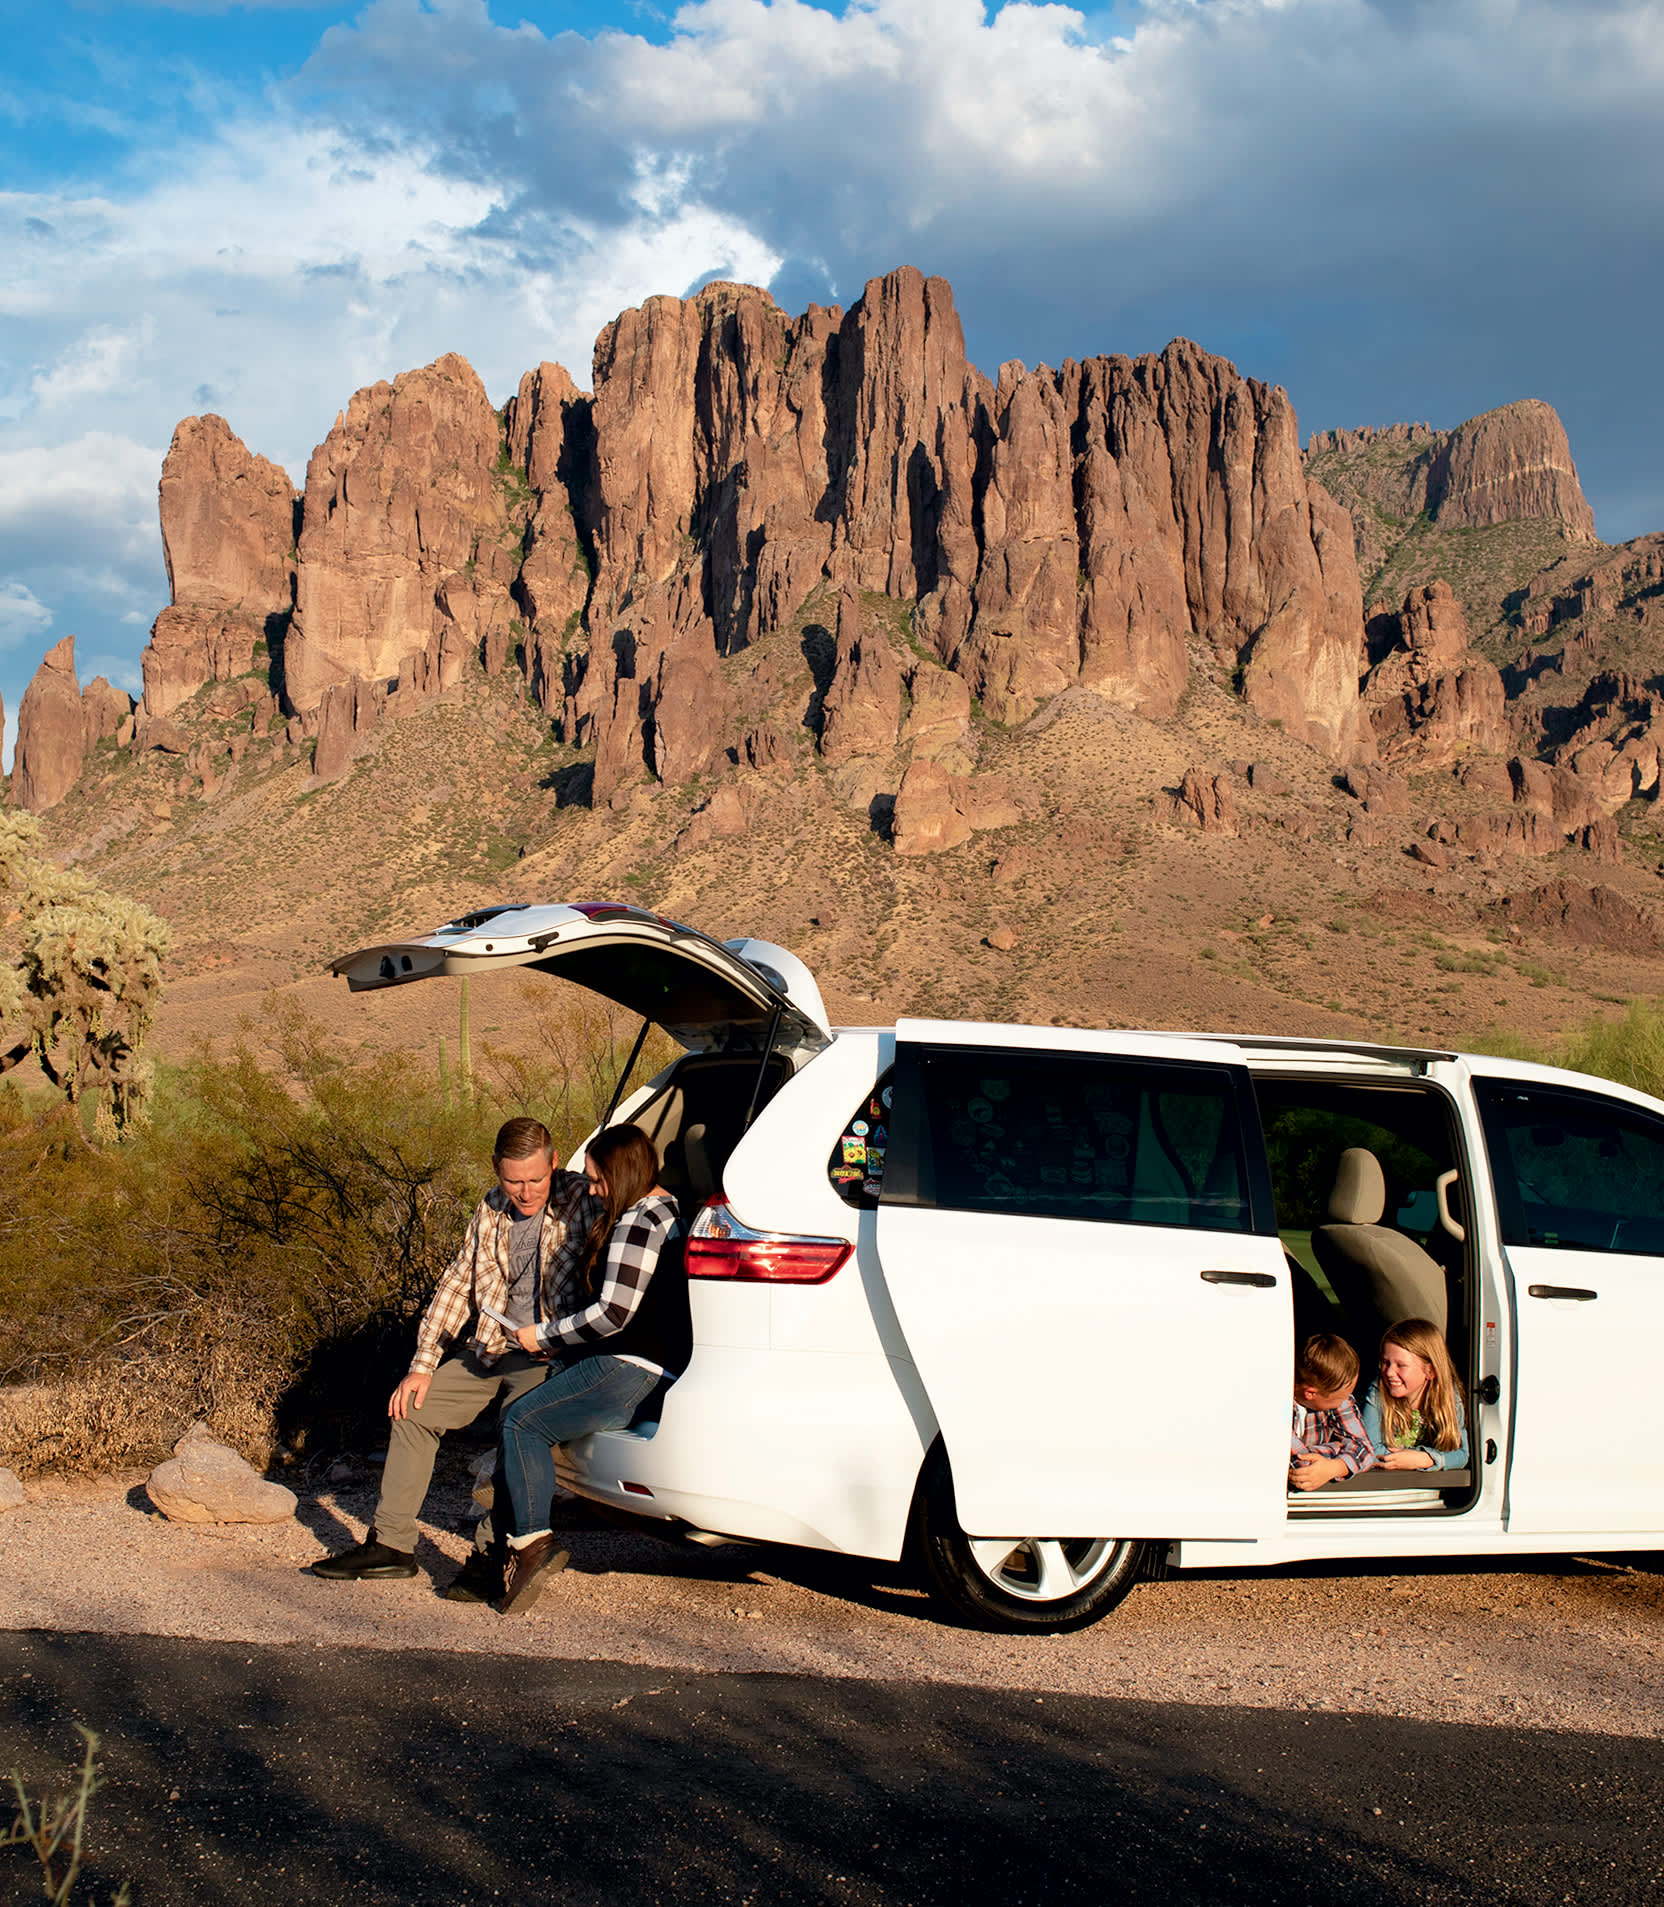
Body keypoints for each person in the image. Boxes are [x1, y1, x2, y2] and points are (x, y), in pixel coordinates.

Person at [313, 1116, 599, 1599]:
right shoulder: (490, 1208)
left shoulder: (583, 1201)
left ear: (555, 1162)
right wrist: (422, 1365)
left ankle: (492, 1554)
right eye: (513, 1181)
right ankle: (392, 1547)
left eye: (535, 1179)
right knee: (412, 1410)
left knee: (518, 1428)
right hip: (490, 1347)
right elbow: (456, 1284)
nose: (525, 1192)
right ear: (495, 1170)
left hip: (551, 1354)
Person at [495, 1123, 692, 1615]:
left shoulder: (638, 1221)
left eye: (599, 1179)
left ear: (621, 1174)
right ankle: (505, 1495)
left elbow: (613, 1314)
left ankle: (530, 1546)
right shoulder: (672, 1211)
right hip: (650, 1370)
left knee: (522, 1422)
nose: (595, 1190)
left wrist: (540, 1335)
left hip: (627, 1369)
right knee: (539, 1403)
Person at [1360, 1318, 1469, 1471]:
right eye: (1385, 1363)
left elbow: (1461, 1455)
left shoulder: (1448, 1397)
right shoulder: (1378, 1393)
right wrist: (1408, 1459)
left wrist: (1424, 1459)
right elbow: (1367, 1449)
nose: (1389, 1372)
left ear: (1430, 1371)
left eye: (1401, 1365)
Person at [1288, 1332, 1377, 1492]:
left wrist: (1336, 1467)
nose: (1345, 1400)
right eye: (1341, 1397)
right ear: (1310, 1393)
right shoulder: (1275, 1407)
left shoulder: (1337, 1395)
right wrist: (1338, 1447)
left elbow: (1366, 1449)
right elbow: (1301, 1466)